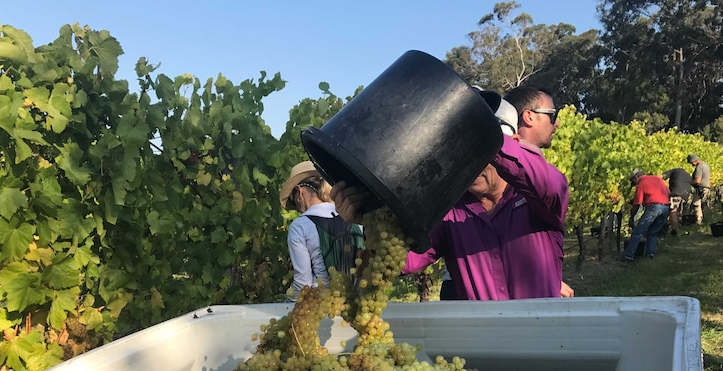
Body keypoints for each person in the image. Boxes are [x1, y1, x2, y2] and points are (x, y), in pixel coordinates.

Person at [332, 86, 572, 300]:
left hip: (543, 341)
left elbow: (543, 178)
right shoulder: (449, 213)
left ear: (512, 143)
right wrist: (369, 220)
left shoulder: (542, 196)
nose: (466, 164)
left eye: (476, 152)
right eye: (456, 154)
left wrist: (478, 135)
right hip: (483, 346)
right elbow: (404, 262)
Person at [279, 161, 359, 301]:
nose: (297, 209)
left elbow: (303, 283)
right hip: (360, 302)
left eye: (294, 201)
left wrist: (287, 304)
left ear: (299, 192)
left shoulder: (300, 226)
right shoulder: (355, 215)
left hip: (324, 305)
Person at [621, 169, 671, 261]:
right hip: (665, 207)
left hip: (654, 208)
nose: (634, 183)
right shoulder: (658, 179)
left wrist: (632, 217)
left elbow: (637, 204)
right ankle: (650, 254)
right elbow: (668, 192)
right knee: (653, 232)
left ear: (636, 177)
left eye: (633, 180)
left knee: (638, 231)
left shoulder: (641, 184)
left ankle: (629, 255)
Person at [663, 166, 691, 234]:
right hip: (685, 194)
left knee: (673, 211)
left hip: (675, 193)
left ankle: (674, 229)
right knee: (680, 211)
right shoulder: (687, 174)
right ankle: (680, 227)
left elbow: (661, 177)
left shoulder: (673, 171)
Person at [687, 153, 711, 225]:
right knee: (705, 204)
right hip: (706, 187)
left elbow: (698, 180)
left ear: (694, 161)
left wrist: (689, 182)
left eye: (691, 163)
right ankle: (708, 220)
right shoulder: (706, 165)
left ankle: (699, 221)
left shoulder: (699, 167)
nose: (691, 164)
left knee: (696, 204)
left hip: (701, 188)